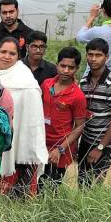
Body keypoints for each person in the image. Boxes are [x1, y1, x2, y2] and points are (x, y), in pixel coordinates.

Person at [0, 37, 48, 195]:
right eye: (3, 51)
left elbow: (33, 118)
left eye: (12, 53)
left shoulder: (26, 80)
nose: (6, 56)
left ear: (18, 56)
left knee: (11, 193)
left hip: (14, 138)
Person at [78, 38, 111, 186]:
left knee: (95, 183)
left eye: (98, 55)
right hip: (87, 139)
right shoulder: (85, 80)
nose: (93, 59)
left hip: (106, 143)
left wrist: (100, 148)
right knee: (82, 181)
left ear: (106, 57)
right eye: (90, 54)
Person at [40, 48, 88, 187]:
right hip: (41, 143)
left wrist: (60, 149)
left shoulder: (77, 96)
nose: (66, 71)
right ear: (57, 65)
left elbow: (79, 127)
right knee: (35, 184)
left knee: (51, 187)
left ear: (77, 69)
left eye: (71, 67)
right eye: (63, 66)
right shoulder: (46, 84)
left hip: (61, 147)